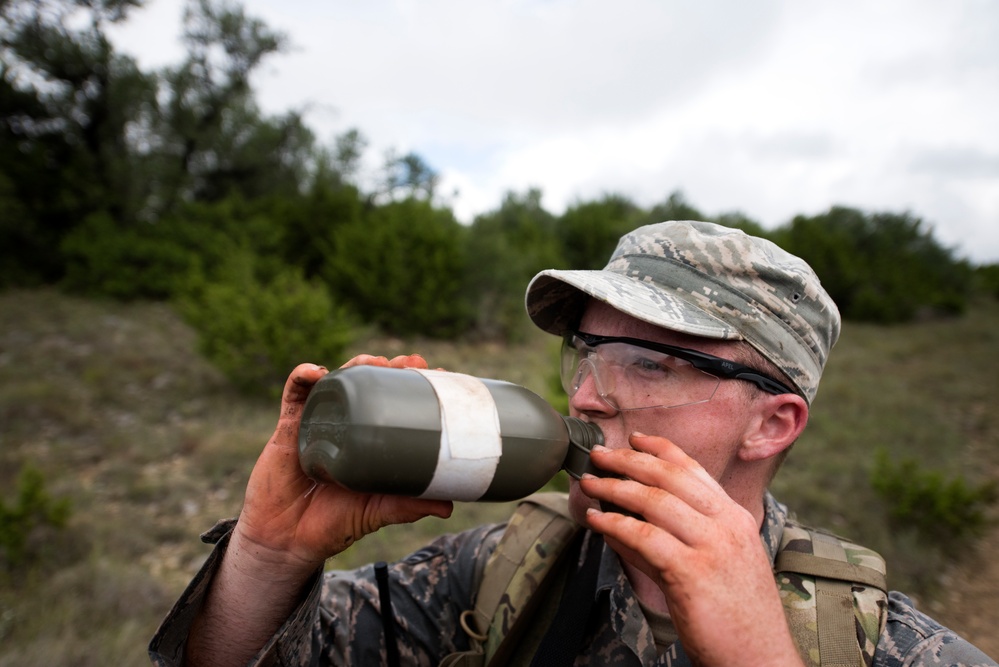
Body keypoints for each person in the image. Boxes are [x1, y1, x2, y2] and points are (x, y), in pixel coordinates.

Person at [149, 220, 996, 666]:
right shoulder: (504, 568)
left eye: (648, 362)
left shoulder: (883, 646)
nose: (587, 394)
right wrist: (267, 549)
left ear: (770, 421)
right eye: (586, 350)